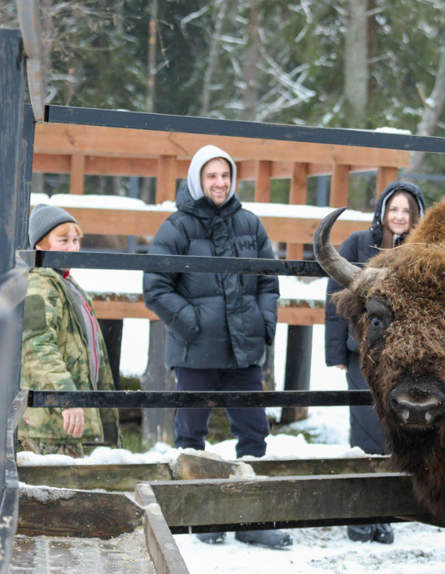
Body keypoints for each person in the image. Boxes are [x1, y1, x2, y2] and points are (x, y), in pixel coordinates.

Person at [143, 145, 291, 549]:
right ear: (197, 180)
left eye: (225, 175)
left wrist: (264, 324)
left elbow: (268, 282)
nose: (220, 183)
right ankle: (201, 515)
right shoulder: (177, 227)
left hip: (243, 347)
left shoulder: (250, 224)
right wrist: (192, 324)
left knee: (254, 432)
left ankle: (252, 518)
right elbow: (155, 287)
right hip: (195, 349)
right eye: (211, 176)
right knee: (191, 434)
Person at [324, 180, 426, 544]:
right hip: (362, 355)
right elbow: (335, 300)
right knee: (364, 431)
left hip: (405, 363)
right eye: (394, 209)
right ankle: (359, 515)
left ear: (416, 217)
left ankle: (385, 515)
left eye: (407, 211)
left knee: (395, 436)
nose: (399, 216)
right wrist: (336, 352)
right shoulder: (356, 244)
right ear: (382, 212)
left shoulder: (421, 251)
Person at [19, 205, 121, 458]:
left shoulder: (67, 283)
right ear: (40, 246)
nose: (72, 248)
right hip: (52, 426)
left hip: (67, 423)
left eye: (75, 240)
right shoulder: (40, 284)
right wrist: (66, 398)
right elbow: (36, 347)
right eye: (63, 240)